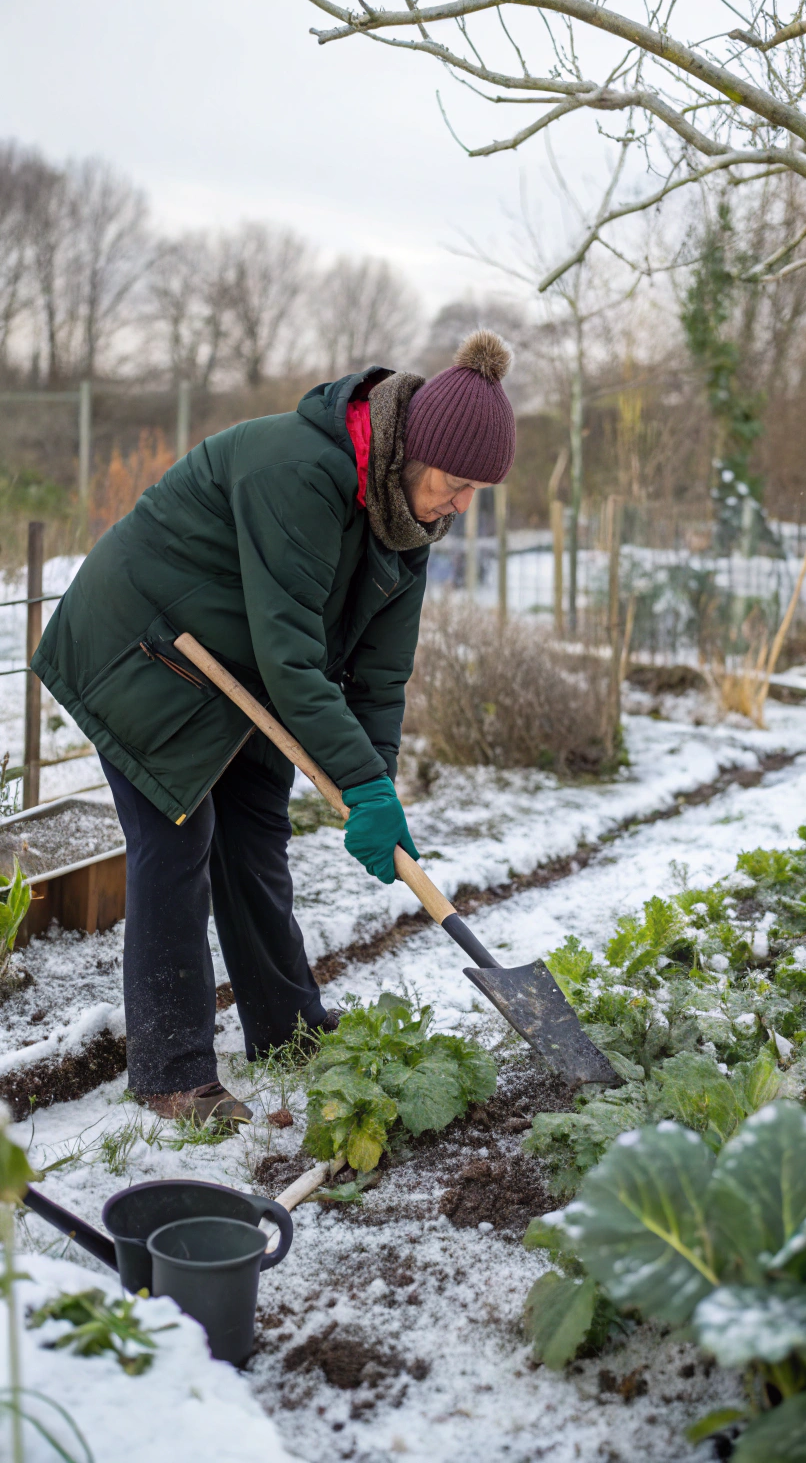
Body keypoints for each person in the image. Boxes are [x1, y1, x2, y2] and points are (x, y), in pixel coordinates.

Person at [31, 330, 516, 1123]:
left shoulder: (409, 524)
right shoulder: (298, 469)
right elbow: (292, 657)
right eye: (456, 483)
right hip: (143, 648)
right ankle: (172, 1072)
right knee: (178, 835)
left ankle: (287, 1032)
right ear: (410, 454)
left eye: (475, 492)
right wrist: (356, 781)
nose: (461, 505)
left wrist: (374, 787)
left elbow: (379, 678)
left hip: (238, 668)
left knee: (255, 831)